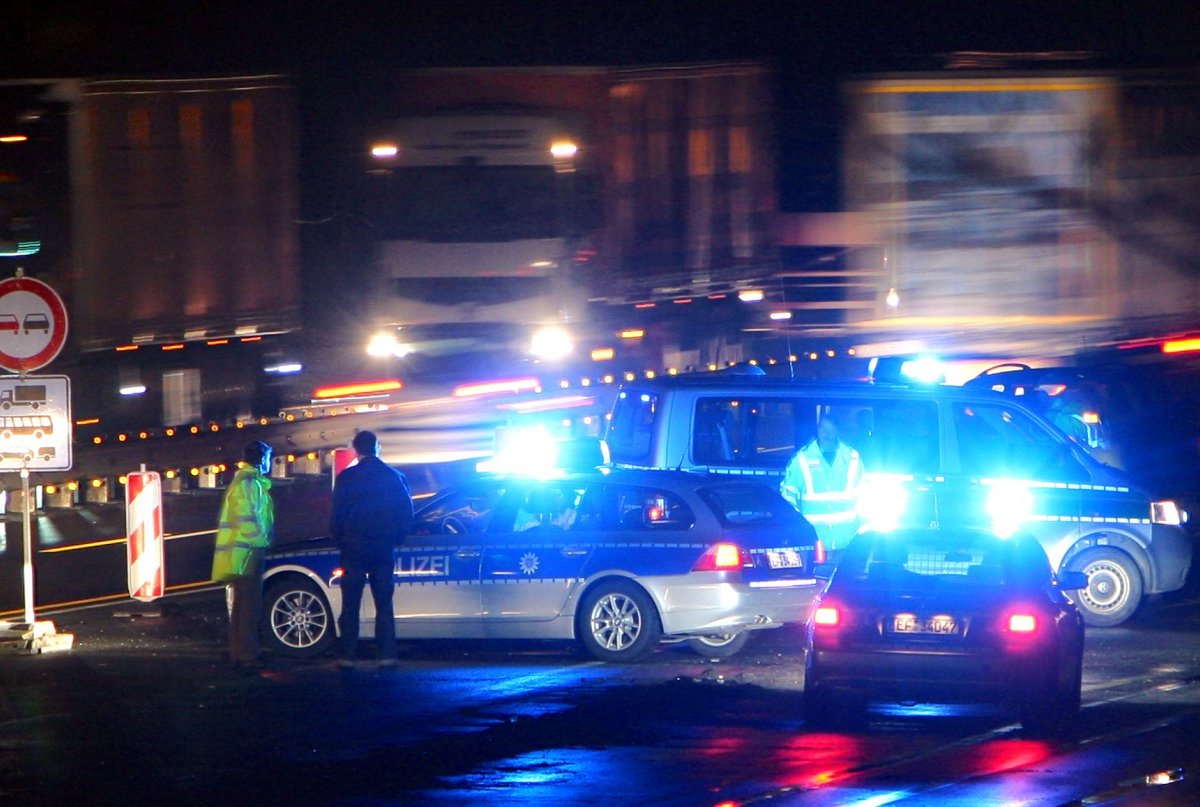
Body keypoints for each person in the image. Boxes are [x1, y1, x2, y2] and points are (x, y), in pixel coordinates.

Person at [330, 430, 414, 667]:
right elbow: (406, 512)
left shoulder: (347, 477)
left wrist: (340, 539)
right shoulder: (394, 476)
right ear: (377, 447)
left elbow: (337, 514)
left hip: (354, 548)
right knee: (384, 604)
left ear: (356, 450)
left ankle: (347, 655)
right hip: (383, 548)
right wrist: (396, 537)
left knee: (351, 603)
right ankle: (387, 655)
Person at [211, 440, 275, 670]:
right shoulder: (249, 483)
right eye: (268, 457)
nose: (270, 463)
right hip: (247, 552)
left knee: (241, 604)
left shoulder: (245, 481)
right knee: (250, 604)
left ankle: (239, 651)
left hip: (240, 552)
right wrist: (262, 540)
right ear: (260, 459)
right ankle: (247, 652)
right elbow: (247, 518)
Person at [780, 417, 862, 561]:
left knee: (844, 582)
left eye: (830, 430)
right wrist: (798, 526)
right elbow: (788, 496)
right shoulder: (801, 459)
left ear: (837, 432)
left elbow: (862, 493)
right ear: (818, 430)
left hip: (846, 538)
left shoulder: (853, 458)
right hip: (814, 538)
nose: (826, 434)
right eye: (823, 429)